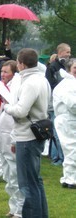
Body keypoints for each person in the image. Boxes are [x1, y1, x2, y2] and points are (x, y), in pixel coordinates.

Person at [4, 48, 50, 218]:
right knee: (35, 181)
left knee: (27, 185)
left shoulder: (31, 82)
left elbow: (22, 111)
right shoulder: (41, 79)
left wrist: (7, 106)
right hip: (35, 133)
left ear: (21, 64)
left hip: (28, 136)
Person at [0, 60, 24, 218]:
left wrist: (15, 138)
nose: (2, 75)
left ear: (14, 73)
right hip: (1, 137)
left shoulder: (16, 90)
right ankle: (13, 207)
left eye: (6, 72)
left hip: (11, 136)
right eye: (1, 72)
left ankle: (21, 209)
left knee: (16, 174)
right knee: (8, 175)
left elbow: (19, 117)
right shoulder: (1, 92)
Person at [45, 43, 71, 165]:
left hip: (63, 103)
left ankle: (58, 156)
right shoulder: (52, 67)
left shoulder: (64, 66)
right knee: (56, 132)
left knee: (59, 132)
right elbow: (51, 84)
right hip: (54, 104)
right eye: (67, 52)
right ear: (60, 52)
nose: (69, 54)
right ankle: (58, 158)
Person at [53, 58, 76, 189]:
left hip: (67, 119)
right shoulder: (69, 85)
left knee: (70, 150)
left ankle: (68, 178)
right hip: (69, 120)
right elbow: (73, 105)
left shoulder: (69, 83)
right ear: (69, 69)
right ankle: (71, 179)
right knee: (72, 149)